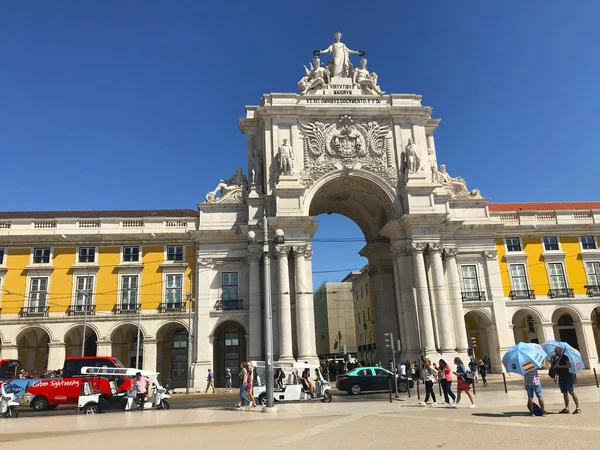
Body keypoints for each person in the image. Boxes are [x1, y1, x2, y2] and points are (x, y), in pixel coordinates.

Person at [551, 346, 581, 414]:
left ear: (560, 351)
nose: (555, 352)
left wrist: (560, 366)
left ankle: (577, 407)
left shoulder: (564, 357)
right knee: (564, 393)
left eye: (557, 351)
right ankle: (566, 407)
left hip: (567, 377)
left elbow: (569, 365)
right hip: (561, 377)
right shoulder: (556, 358)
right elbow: (553, 367)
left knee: (572, 392)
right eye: (555, 351)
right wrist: (551, 360)